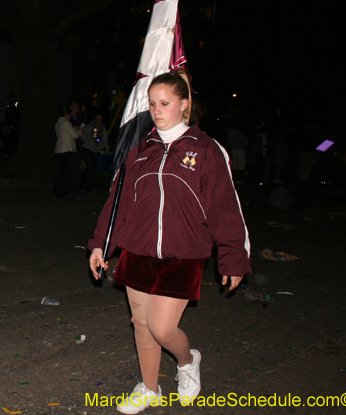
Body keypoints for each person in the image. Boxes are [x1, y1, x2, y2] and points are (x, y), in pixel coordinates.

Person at [88, 72, 251, 414]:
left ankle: (188, 360)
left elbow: (224, 207)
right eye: (152, 104)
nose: (157, 111)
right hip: (138, 251)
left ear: (184, 104)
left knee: (163, 329)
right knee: (142, 324)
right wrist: (101, 244)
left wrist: (233, 258)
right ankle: (149, 388)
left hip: (184, 254)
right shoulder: (139, 151)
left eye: (165, 103)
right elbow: (118, 203)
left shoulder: (206, 150)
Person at [53, 105, 81, 198]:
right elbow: (75, 135)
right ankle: (62, 192)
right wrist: (80, 130)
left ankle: (57, 190)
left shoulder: (59, 122)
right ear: (66, 114)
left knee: (62, 172)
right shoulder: (65, 123)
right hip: (65, 150)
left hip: (60, 150)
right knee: (65, 173)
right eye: (70, 114)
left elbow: (68, 133)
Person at [79, 113, 107, 194]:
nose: (98, 121)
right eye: (97, 118)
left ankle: (90, 188)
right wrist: (90, 135)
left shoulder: (103, 129)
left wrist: (100, 145)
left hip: (97, 150)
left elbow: (105, 141)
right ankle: (82, 187)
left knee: (94, 169)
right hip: (88, 148)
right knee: (89, 168)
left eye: (100, 119)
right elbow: (83, 138)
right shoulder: (89, 127)